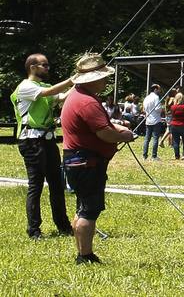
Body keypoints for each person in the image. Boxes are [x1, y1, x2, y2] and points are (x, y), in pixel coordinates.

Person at [60, 53, 136, 265]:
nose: (105, 81)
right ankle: (85, 256)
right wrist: (125, 136)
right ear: (92, 78)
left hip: (79, 160)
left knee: (83, 207)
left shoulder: (77, 96)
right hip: (87, 162)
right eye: (103, 77)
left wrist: (118, 127)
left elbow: (100, 126)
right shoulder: (87, 102)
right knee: (89, 210)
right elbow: (104, 133)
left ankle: (82, 252)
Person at [11, 52, 75, 239]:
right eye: (44, 65)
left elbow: (61, 97)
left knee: (57, 184)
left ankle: (63, 225)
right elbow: (49, 93)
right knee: (36, 185)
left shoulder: (45, 86)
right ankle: (34, 230)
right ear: (33, 67)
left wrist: (81, 82)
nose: (48, 68)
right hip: (31, 141)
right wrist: (72, 79)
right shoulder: (25, 87)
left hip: (47, 140)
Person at [166, 90, 184, 160]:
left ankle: (177, 155)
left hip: (174, 125)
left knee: (175, 141)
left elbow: (171, 115)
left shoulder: (172, 107)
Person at [141, 84, 163, 159]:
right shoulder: (156, 97)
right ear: (155, 89)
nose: (160, 91)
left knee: (147, 139)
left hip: (148, 120)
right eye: (159, 89)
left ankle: (144, 155)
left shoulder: (146, 98)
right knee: (155, 138)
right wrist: (162, 109)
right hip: (156, 120)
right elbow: (158, 109)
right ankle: (154, 156)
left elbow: (144, 109)